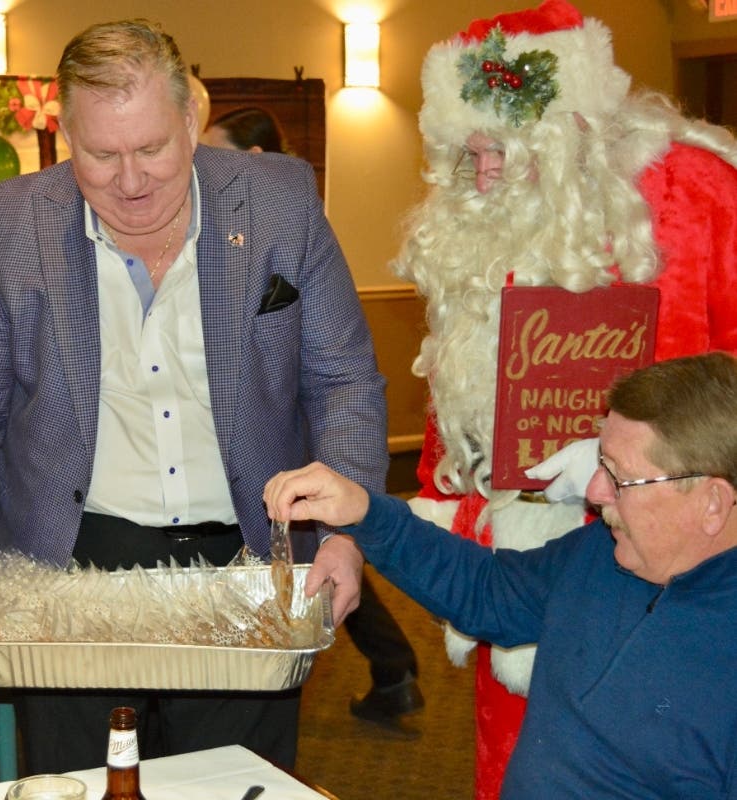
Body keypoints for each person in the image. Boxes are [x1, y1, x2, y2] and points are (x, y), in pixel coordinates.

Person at [0, 18, 387, 774]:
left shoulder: (280, 202)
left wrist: (345, 532)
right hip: (69, 570)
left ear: (192, 122)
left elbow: (343, 381)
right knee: (82, 786)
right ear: (66, 135)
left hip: (246, 561)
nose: (130, 181)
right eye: (100, 155)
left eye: (152, 149)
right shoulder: (11, 224)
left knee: (234, 783)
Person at [390, 1, 737, 794]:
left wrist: (635, 458)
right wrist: (445, 494)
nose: (477, 176)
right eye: (463, 153)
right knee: (522, 762)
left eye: (497, 151)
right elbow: (455, 380)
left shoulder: (692, 194)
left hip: (683, 570)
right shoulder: (476, 223)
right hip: (521, 560)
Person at [265, 351, 737, 800]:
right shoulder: (602, 551)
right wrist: (365, 511)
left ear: (712, 504)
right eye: (600, 464)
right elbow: (486, 592)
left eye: (619, 477)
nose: (594, 493)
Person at [204, 103, 424, 736]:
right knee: (326, 555)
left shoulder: (295, 226)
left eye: (217, 154)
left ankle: (394, 665)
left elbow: (337, 368)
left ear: (251, 160)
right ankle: (394, 666)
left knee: (321, 553)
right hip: (278, 465)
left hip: (297, 445)